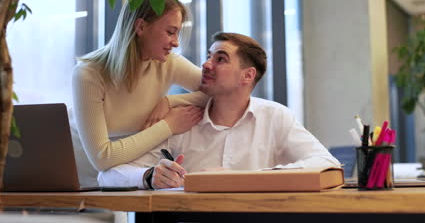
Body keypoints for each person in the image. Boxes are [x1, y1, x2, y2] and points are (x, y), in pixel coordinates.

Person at [98, 32, 340, 189]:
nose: (205, 64)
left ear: (248, 75)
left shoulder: (275, 117)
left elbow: (326, 162)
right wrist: (149, 176)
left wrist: (246, 178)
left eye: (220, 59)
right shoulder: (181, 120)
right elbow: (107, 176)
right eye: (208, 56)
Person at [70, 0, 208, 186]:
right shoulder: (88, 74)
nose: (176, 42)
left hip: (125, 174)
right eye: (170, 32)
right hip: (78, 178)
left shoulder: (169, 63)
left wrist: (169, 102)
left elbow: (221, 92)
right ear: (141, 26)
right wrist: (169, 125)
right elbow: (102, 158)